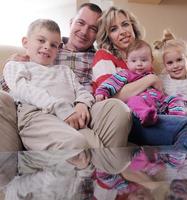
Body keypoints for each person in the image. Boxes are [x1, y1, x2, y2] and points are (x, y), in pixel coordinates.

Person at [0, 3, 132, 151]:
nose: (84, 31)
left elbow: (97, 88)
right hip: (41, 110)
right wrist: (9, 64)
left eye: (92, 28)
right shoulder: (40, 55)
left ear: (97, 34)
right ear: (71, 22)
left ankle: (106, 171)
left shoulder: (97, 58)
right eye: (80, 23)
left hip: (81, 110)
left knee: (114, 113)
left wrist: (82, 103)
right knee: (77, 143)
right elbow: (15, 86)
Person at [92, 6, 187, 151]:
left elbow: (159, 91)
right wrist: (150, 79)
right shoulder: (104, 55)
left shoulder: (143, 56)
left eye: (125, 24)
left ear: (133, 27)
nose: (122, 31)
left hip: (156, 109)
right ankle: (178, 165)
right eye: (114, 29)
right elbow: (110, 98)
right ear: (108, 36)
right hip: (133, 117)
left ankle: (177, 120)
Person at [95, 39, 185, 126]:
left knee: (174, 99)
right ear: (127, 62)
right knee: (134, 101)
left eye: (143, 60)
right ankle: (146, 116)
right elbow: (112, 82)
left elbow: (161, 91)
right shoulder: (125, 74)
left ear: (151, 61)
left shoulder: (153, 75)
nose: (139, 64)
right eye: (134, 61)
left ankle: (176, 117)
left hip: (158, 103)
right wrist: (103, 91)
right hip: (141, 104)